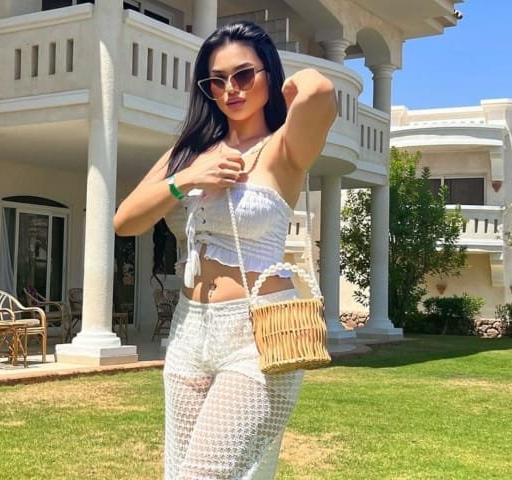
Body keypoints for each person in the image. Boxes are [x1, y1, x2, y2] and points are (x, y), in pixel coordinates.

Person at [113, 21, 336, 480]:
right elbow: (125, 220)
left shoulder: (283, 149)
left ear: (267, 74)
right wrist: (189, 178)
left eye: (244, 75)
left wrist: (287, 84)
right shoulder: (191, 152)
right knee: (179, 473)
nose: (231, 88)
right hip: (189, 331)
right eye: (217, 80)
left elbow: (320, 91)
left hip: (255, 334)